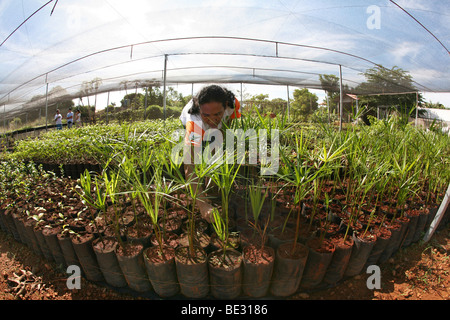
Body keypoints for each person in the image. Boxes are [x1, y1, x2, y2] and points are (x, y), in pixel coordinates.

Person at [180, 85, 241, 223]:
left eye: (217, 114)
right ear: (200, 110)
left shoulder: (233, 104)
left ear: (225, 106)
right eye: (206, 115)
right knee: (195, 154)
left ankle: (208, 177)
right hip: (194, 125)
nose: (212, 119)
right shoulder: (194, 121)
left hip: (215, 128)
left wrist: (213, 169)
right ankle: (192, 185)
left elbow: (225, 129)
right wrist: (202, 204)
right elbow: (189, 164)